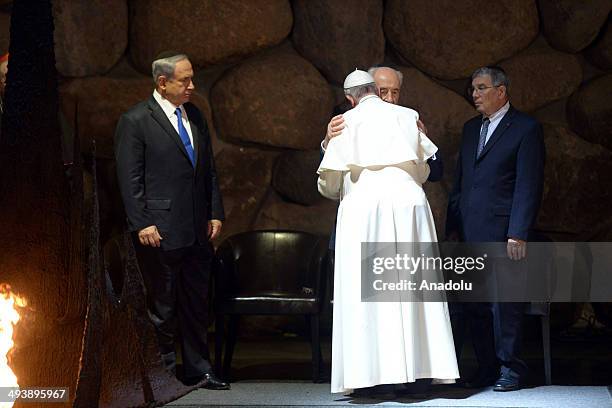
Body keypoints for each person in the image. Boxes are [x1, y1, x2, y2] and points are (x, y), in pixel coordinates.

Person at [318, 70, 459, 395]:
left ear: (351, 97)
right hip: (409, 207)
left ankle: (371, 378)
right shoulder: (409, 116)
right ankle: (414, 373)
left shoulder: (345, 121)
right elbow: (425, 168)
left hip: (365, 208)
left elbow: (328, 183)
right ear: (375, 91)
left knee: (368, 292)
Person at [114, 52, 228, 390]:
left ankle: (198, 368)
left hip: (196, 229)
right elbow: (129, 178)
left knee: (196, 304)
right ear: (162, 83)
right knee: (162, 306)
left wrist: (215, 212)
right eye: (185, 80)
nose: (192, 86)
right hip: (159, 229)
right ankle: (161, 374)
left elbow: (208, 170)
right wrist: (142, 222)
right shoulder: (135, 120)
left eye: (192, 78)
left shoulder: (194, 115)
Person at [445, 66, 545, 392]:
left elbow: (528, 184)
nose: (475, 94)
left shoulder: (526, 128)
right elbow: (461, 181)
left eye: (481, 88)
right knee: (475, 305)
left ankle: (511, 369)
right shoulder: (471, 128)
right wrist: (453, 225)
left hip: (504, 233)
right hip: (470, 232)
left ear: (501, 91)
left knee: (505, 305)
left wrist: (518, 231)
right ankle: (487, 366)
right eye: (473, 88)